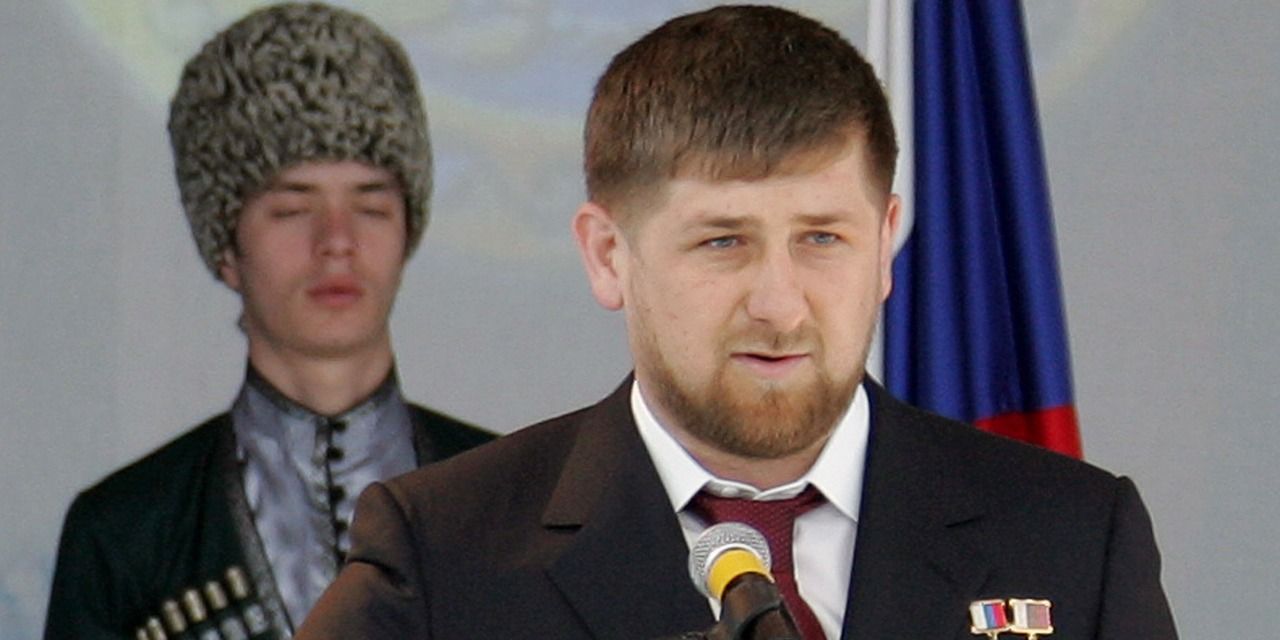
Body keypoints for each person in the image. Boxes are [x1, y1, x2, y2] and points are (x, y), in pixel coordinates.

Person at [296, 5, 1178, 639]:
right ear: (606, 254)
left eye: (823, 238)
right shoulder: (440, 557)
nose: (780, 305)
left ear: (887, 243)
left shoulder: (1076, 540)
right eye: (723, 242)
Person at [43, 4, 493, 638]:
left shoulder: (520, 497)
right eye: (291, 209)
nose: (336, 242)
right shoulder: (125, 534)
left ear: (408, 231)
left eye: (371, 206)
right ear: (226, 248)